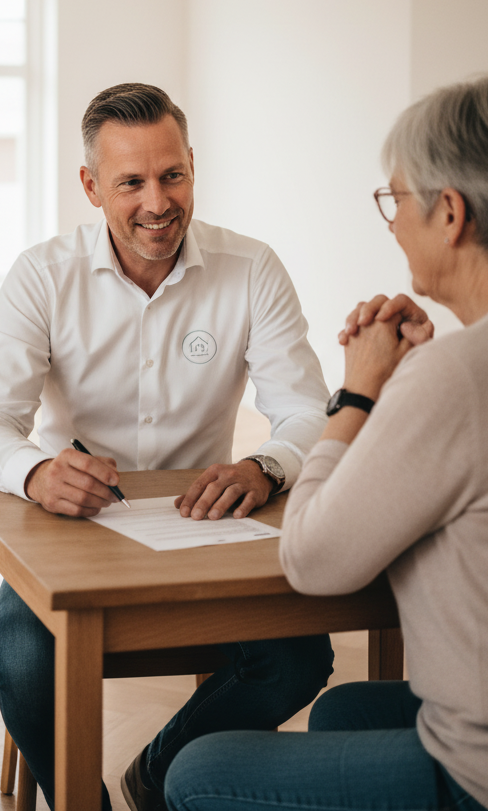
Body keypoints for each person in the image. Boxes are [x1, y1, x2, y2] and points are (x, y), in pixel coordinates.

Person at [0, 83, 335, 811]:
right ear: (91, 185)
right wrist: (34, 472)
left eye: (173, 175)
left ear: (193, 165)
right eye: (131, 182)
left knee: (298, 656)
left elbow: (307, 415)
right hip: (69, 532)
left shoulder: (252, 267)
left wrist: (266, 465)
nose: (157, 202)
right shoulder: (41, 274)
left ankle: (158, 780)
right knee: (27, 659)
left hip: (204, 529)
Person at [165, 76, 488, 811]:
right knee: (345, 710)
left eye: (395, 199)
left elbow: (312, 558)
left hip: (478, 768)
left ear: (450, 212)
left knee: (195, 772)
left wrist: (362, 391)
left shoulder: (454, 376)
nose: (390, 221)